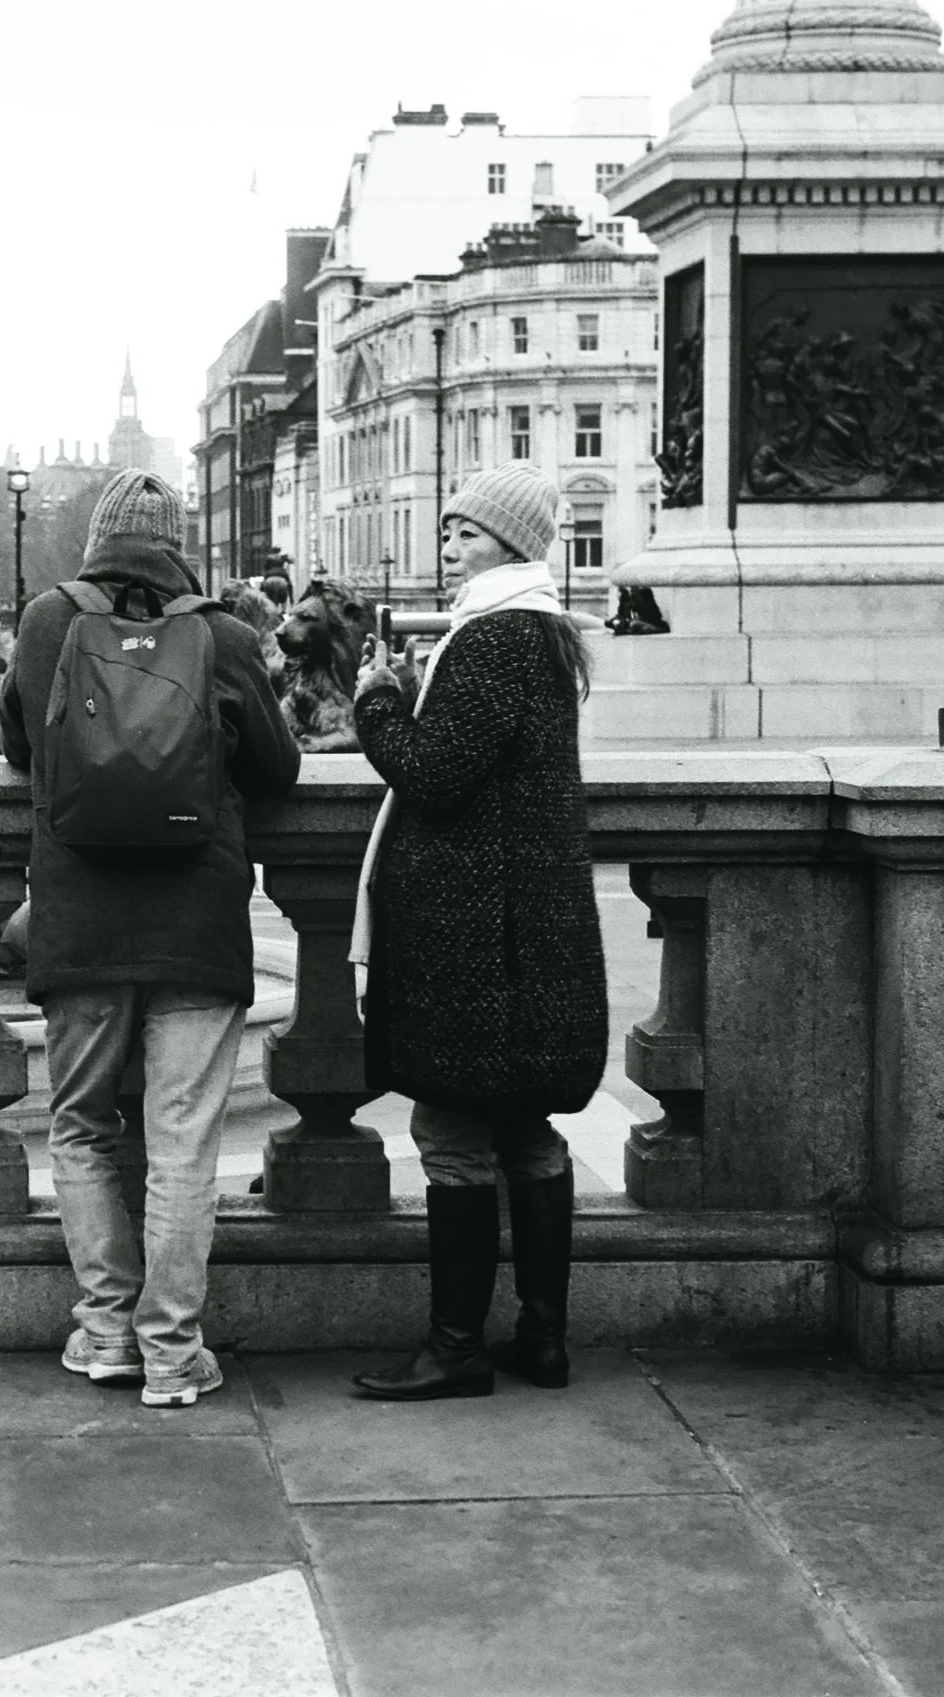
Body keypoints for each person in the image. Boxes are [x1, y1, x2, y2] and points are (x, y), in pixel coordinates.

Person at [0, 468, 300, 1408]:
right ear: (178, 542)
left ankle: (103, 1333)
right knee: (181, 1143)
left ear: (96, 539)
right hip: (194, 917)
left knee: (83, 1128)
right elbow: (277, 768)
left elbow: (18, 745)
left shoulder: (49, 620)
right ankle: (171, 1351)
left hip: (80, 914)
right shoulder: (222, 633)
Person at [347, 461, 609, 1402]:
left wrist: (375, 699)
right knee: (528, 1132)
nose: (447, 544)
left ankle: (457, 1346)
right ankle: (541, 1337)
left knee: (451, 1132)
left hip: (480, 938)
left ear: (504, 542)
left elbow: (433, 772)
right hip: (519, 930)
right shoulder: (533, 633)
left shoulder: (495, 638)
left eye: (462, 531)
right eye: (448, 527)